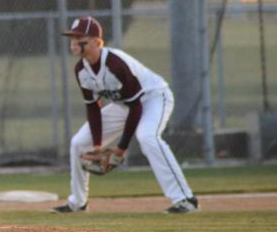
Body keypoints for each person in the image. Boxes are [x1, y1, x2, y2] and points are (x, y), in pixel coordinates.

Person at [50, 16, 199, 215]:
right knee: (78, 143)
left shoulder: (115, 64)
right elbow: (93, 107)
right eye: (72, 38)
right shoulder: (81, 70)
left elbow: (136, 106)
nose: (74, 42)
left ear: (96, 41)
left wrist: (121, 149)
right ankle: (77, 202)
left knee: (147, 137)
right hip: (124, 105)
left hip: (153, 97)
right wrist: (97, 145)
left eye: (80, 37)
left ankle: (185, 199)